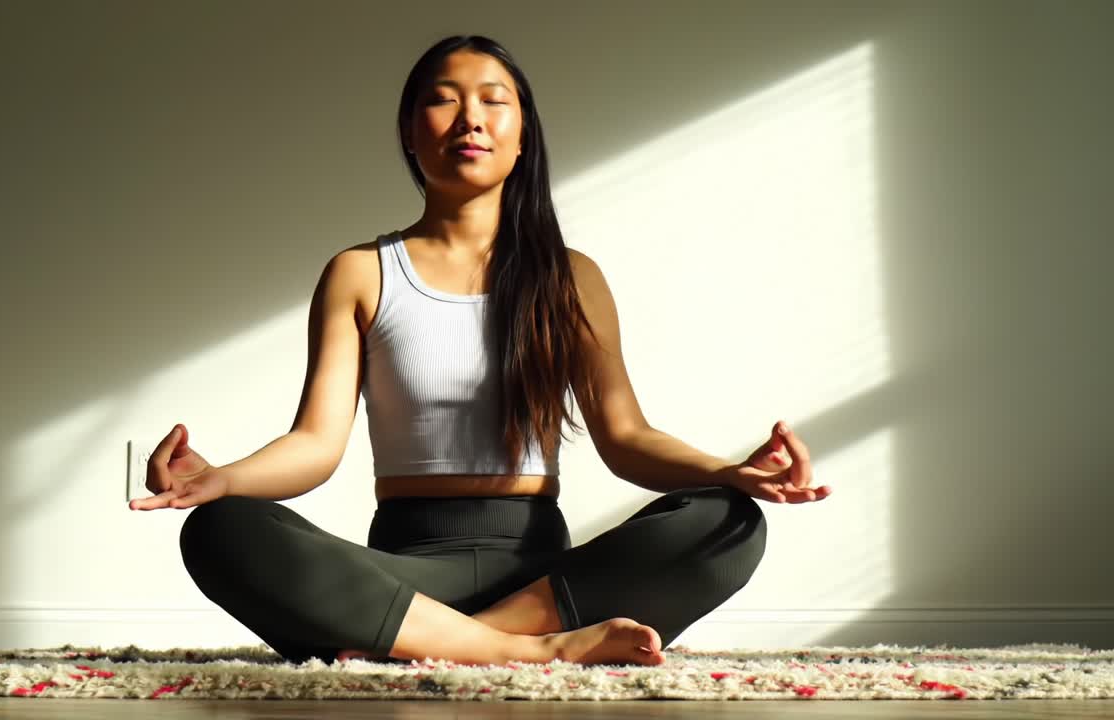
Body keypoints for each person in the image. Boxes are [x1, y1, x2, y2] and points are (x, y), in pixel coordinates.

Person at [130, 35, 831, 668]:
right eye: (442, 101)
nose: (470, 118)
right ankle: (516, 652)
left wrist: (731, 473)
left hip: (544, 580)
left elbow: (625, 437)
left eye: (494, 102)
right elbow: (315, 443)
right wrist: (219, 479)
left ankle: (437, 644)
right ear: (409, 133)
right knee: (220, 531)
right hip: (401, 574)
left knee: (728, 521)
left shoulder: (570, 277)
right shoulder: (361, 272)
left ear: (522, 135)